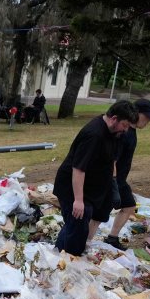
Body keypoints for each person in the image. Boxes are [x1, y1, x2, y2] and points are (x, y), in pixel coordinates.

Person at [53, 100, 138, 257]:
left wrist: (113, 186)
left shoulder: (114, 133)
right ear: (114, 119)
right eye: (124, 125)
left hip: (89, 188)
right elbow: (78, 168)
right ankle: (68, 258)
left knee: (77, 224)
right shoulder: (94, 135)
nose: (126, 130)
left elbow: (111, 161)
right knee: (78, 227)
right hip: (71, 187)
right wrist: (78, 200)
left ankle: (60, 255)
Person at [89, 98, 150, 249]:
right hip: (111, 180)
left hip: (120, 180)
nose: (149, 121)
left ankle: (112, 238)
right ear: (137, 113)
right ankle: (84, 244)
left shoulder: (130, 132)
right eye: (147, 117)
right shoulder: (124, 133)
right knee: (98, 216)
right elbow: (113, 159)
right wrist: (113, 183)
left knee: (129, 206)